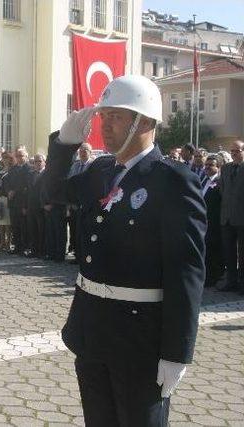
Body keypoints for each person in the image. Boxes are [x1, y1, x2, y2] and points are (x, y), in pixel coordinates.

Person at [44, 75, 206, 426]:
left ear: (145, 122)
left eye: (117, 116)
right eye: (104, 116)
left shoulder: (173, 181)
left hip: (140, 341)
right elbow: (48, 194)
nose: (106, 125)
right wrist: (63, 145)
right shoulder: (100, 170)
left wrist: (178, 352)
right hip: (92, 329)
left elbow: (186, 271)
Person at [218, 140, 244, 293]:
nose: (234, 153)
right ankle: (231, 281)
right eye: (232, 151)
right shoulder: (226, 168)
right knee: (229, 252)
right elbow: (222, 190)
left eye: (237, 151)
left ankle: (242, 284)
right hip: (226, 217)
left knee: (242, 253)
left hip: (242, 218)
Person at [67, 143, 94, 262]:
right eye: (81, 151)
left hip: (87, 203)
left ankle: (85, 256)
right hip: (74, 203)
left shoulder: (93, 166)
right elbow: (70, 184)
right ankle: (77, 256)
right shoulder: (75, 166)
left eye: (85, 151)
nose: (82, 153)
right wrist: (70, 201)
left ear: (90, 152)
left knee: (85, 230)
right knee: (75, 230)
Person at [203, 154, 224, 288]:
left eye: (211, 165)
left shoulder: (220, 181)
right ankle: (207, 277)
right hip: (204, 222)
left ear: (219, 167)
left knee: (214, 251)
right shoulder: (204, 179)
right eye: (206, 165)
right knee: (206, 250)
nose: (207, 167)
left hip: (215, 221)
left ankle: (214, 278)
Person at [26, 154, 46, 259]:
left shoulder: (47, 174)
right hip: (31, 206)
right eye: (35, 162)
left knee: (41, 230)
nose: (37, 163)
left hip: (41, 207)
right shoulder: (30, 174)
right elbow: (27, 191)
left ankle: (42, 251)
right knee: (32, 229)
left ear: (44, 162)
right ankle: (34, 250)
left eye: (39, 161)